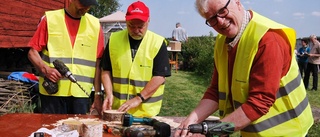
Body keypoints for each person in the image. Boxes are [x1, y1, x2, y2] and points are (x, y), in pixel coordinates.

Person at [175, 0, 314, 136]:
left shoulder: (268, 39)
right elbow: (216, 90)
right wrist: (191, 121)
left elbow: (260, 101)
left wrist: (211, 130)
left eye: (222, 11)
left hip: (288, 132)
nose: (221, 21)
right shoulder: (222, 41)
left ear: (237, 2)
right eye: (212, 19)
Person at [91, 1, 171, 117]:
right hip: (118, 110)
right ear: (126, 21)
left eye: (140, 26)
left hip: (146, 112)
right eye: (131, 26)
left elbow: (159, 77)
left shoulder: (157, 43)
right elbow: (106, 70)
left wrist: (139, 98)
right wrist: (108, 93)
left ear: (148, 20)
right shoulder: (114, 39)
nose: (136, 30)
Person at [27, 0, 104, 114]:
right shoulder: (50, 19)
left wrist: (97, 95)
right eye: (83, 3)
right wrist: (45, 70)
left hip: (81, 95)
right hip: (52, 93)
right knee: (51, 130)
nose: (86, 7)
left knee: (79, 131)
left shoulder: (95, 25)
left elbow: (98, 63)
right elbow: (32, 52)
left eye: (89, 5)